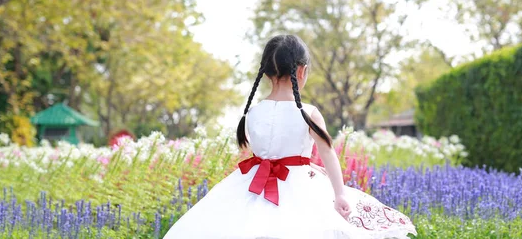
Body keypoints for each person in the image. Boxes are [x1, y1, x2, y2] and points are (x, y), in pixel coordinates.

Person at [164, 35, 417, 238]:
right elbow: (329, 155)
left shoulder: (252, 113)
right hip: (300, 186)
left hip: (252, 186)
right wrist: (339, 194)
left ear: (265, 73)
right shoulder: (309, 113)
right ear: (302, 71)